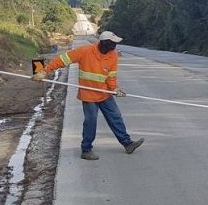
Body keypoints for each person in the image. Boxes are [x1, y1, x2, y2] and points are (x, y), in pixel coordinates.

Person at [32, 31, 144, 160]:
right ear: (105, 43)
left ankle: (127, 144)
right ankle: (86, 150)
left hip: (105, 93)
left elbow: (111, 75)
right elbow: (62, 60)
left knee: (116, 117)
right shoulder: (85, 51)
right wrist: (44, 72)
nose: (115, 46)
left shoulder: (113, 55)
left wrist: (115, 89)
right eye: (113, 43)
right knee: (91, 122)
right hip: (89, 94)